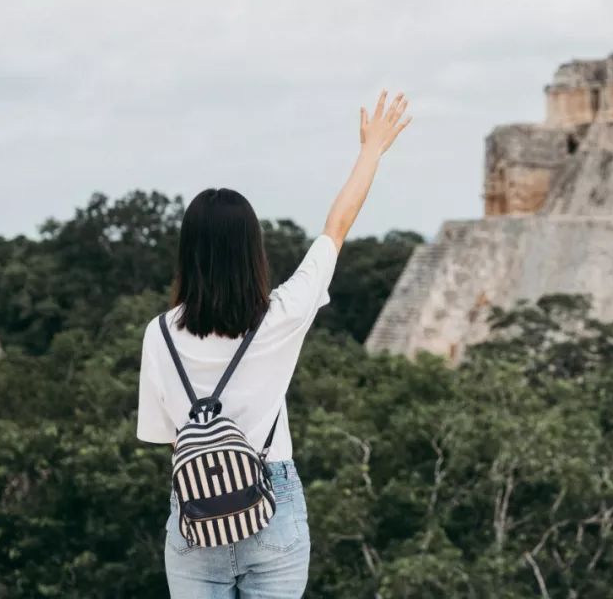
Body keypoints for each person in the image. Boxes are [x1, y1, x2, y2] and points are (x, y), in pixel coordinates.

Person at [136, 91, 412, 598]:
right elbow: (336, 229)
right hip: (273, 503)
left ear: (188, 254)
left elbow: (169, 439)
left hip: (197, 514)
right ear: (253, 251)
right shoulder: (281, 317)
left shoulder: (160, 334)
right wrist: (372, 150)